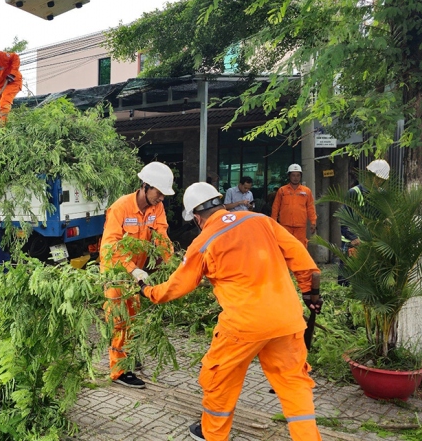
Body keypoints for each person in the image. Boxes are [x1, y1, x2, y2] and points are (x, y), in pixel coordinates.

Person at [137, 182, 322, 441]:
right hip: (287, 320)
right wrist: (309, 292)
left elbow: (177, 286)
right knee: (294, 386)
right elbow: (299, 255)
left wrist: (148, 291)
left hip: (243, 326)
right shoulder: (261, 220)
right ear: (219, 203)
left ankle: (212, 435)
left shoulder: (203, 242)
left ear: (197, 218)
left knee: (219, 382)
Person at [100, 162, 175, 388]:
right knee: (119, 319)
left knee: (134, 316)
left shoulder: (156, 208)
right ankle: (119, 371)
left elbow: (162, 235)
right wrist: (132, 269)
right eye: (158, 192)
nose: (161, 198)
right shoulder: (120, 207)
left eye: (163, 194)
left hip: (138, 273)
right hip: (117, 271)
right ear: (145, 186)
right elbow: (111, 245)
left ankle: (128, 354)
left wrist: (172, 264)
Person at [338, 159, 390, 286]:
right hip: (353, 244)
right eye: (377, 178)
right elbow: (345, 218)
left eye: (381, 179)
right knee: (348, 279)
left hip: (372, 243)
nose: (379, 182)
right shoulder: (355, 193)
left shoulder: (382, 195)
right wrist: (353, 238)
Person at [271, 164, 316, 246]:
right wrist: (273, 222)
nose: (296, 178)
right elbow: (276, 207)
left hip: (300, 226)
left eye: (298, 175)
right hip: (285, 225)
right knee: (285, 246)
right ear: (289, 176)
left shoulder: (306, 191)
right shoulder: (282, 190)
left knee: (300, 246)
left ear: (301, 176)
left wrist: (313, 222)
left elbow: (310, 207)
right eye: (293, 175)